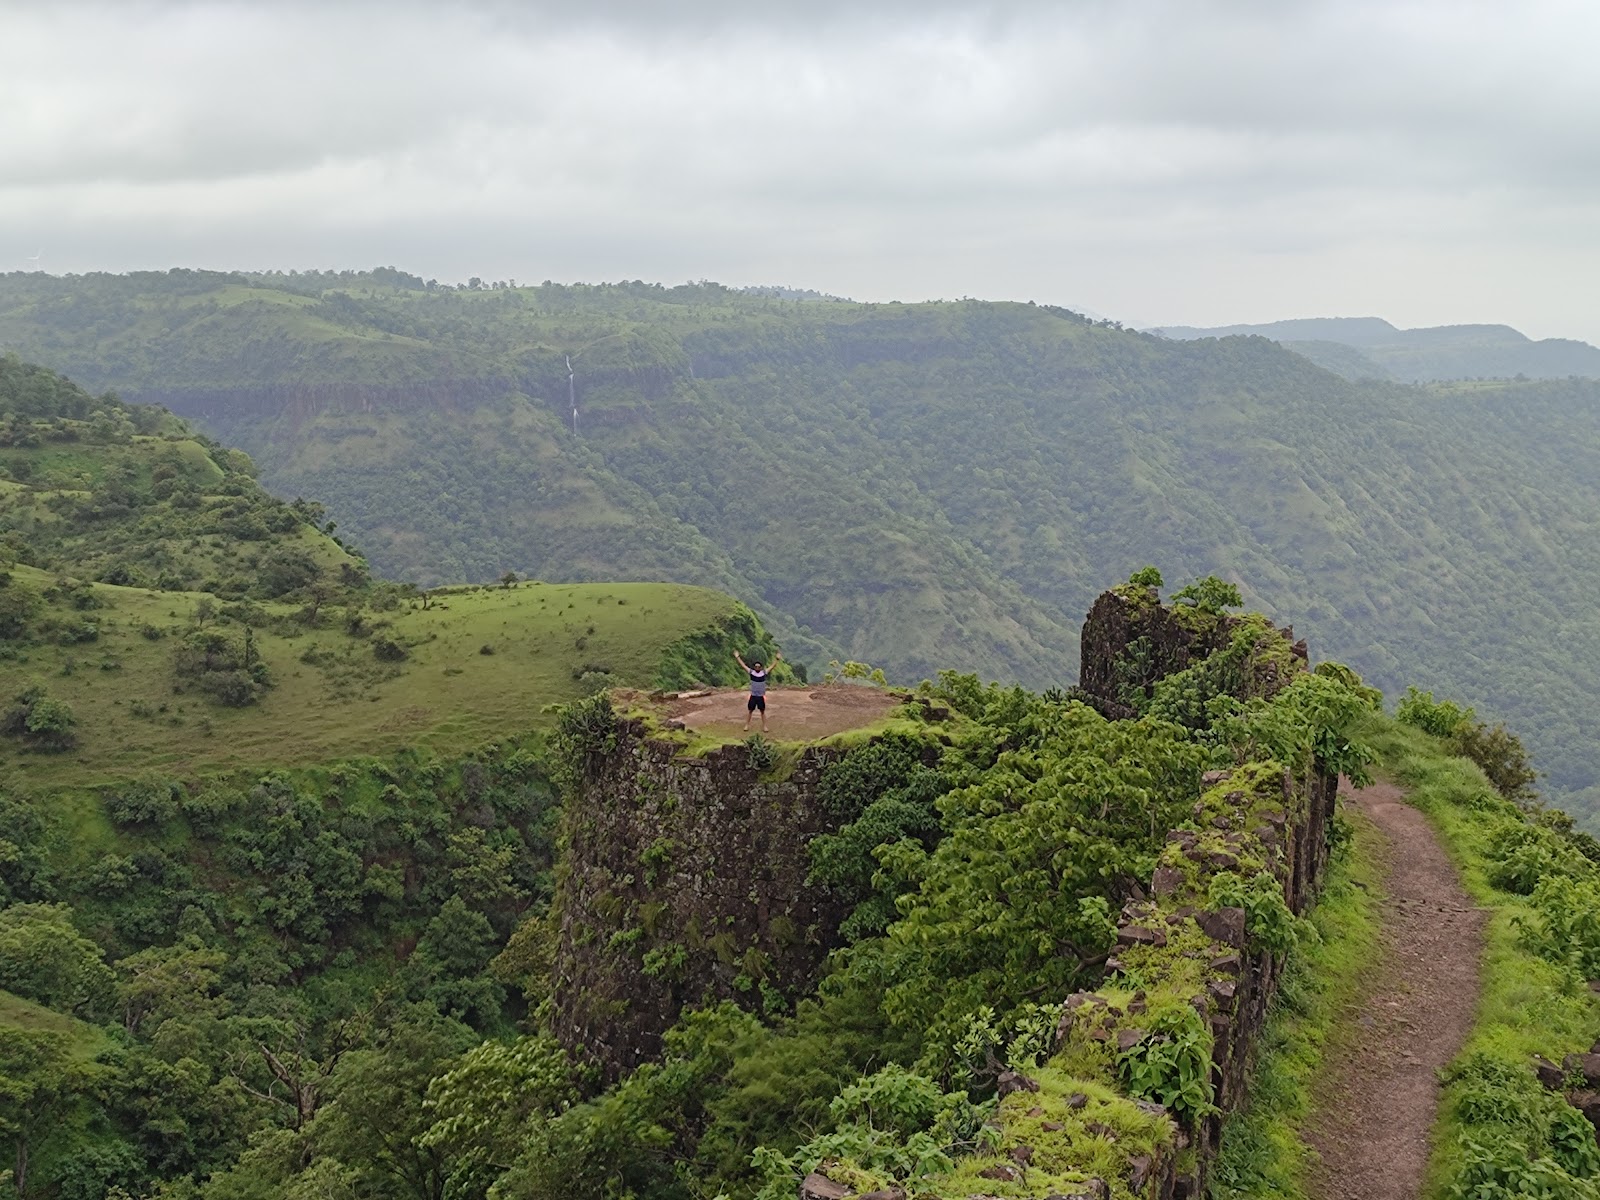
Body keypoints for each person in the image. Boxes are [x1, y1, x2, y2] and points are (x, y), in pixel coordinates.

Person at [734, 649, 781, 733]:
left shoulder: (764, 673)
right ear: (754, 667)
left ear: (761, 667)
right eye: (756, 666)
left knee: (762, 711)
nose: (757, 668)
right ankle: (747, 725)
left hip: (760, 696)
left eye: (759, 667)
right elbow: (743, 665)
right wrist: (737, 657)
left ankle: (765, 726)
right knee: (750, 711)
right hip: (753, 695)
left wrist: (777, 659)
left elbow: (772, 666)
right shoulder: (751, 672)